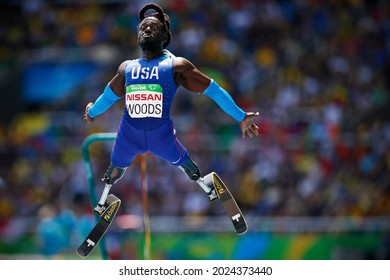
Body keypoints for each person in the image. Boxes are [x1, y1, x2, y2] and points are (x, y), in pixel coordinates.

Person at [84, 3, 259, 214]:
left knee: (184, 162)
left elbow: (214, 90)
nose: (147, 29)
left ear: (165, 36)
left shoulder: (177, 66)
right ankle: (102, 202)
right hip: (129, 135)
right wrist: (92, 111)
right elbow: (107, 97)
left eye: (153, 27)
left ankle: (207, 187)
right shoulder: (126, 68)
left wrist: (240, 115)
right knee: (115, 168)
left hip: (162, 137)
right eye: (143, 27)